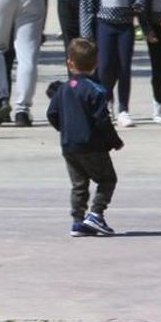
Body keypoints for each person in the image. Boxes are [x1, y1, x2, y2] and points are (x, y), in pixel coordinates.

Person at [47, 38, 124, 237]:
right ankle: (96, 214)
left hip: (69, 146)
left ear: (69, 63)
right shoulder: (95, 90)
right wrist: (113, 141)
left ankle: (77, 221)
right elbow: (102, 120)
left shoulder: (63, 89)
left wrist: (65, 129)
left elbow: (52, 114)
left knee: (79, 185)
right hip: (92, 146)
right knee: (107, 179)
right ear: (96, 63)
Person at [79, 0, 147, 128]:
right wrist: (86, 31)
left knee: (124, 67)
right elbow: (87, 1)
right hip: (104, 24)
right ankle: (105, 102)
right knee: (105, 65)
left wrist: (139, 4)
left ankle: (124, 109)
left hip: (125, 26)